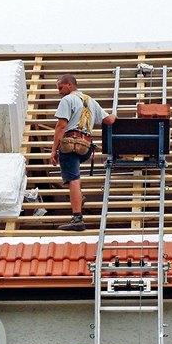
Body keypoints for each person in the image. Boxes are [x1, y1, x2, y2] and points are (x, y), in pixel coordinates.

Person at [50, 74, 117, 231]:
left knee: (73, 180)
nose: (59, 92)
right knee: (73, 177)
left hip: (70, 145)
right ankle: (78, 197)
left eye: (60, 88)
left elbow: (61, 125)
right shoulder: (90, 101)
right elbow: (108, 120)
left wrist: (53, 151)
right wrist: (114, 115)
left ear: (70, 85)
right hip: (85, 147)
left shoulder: (67, 100)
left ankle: (77, 219)